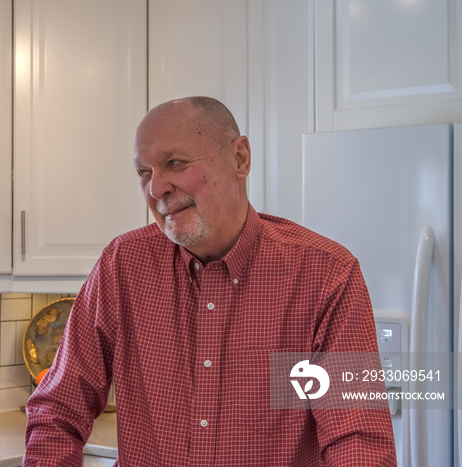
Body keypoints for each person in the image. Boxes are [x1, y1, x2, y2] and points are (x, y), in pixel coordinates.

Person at [24, 97, 397, 465]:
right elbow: (58, 410)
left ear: (240, 159)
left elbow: (358, 442)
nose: (156, 189)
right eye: (144, 173)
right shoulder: (122, 266)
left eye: (174, 163)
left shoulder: (325, 274)